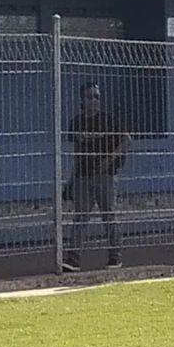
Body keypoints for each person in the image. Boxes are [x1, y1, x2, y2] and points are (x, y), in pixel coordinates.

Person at [63, 82, 129, 272]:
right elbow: (77, 151)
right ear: (82, 100)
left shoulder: (108, 121)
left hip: (105, 176)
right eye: (89, 97)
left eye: (96, 97)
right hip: (83, 176)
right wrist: (72, 178)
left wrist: (109, 160)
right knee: (81, 217)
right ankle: (73, 259)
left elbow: (126, 140)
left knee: (108, 214)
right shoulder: (76, 123)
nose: (93, 101)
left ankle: (115, 257)